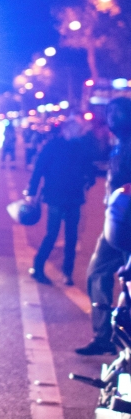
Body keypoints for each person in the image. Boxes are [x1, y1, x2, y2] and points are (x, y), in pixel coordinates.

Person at [81, 97, 131, 354]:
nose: (112, 117)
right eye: (109, 112)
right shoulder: (119, 143)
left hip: (127, 222)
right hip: (117, 222)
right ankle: (104, 336)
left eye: (118, 113)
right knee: (97, 272)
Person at [27, 117, 96, 286]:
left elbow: (90, 169)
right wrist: (31, 192)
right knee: (53, 234)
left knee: (71, 237)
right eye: (75, 129)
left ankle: (67, 273)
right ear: (67, 129)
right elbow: (39, 169)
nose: (77, 133)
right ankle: (38, 267)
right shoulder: (54, 146)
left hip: (72, 197)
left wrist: (88, 181)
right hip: (56, 197)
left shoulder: (80, 147)